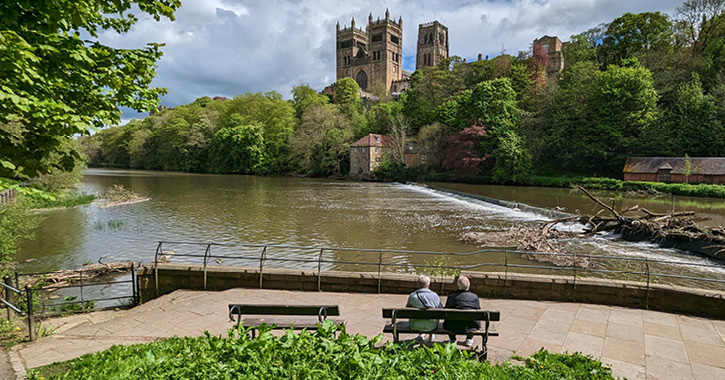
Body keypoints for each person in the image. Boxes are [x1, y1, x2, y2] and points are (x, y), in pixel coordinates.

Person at [443, 275, 480, 346]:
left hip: (452, 326)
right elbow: (477, 310)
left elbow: (446, 311)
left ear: (458, 285)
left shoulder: (451, 297)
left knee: (449, 320)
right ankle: (469, 339)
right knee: (473, 317)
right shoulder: (474, 297)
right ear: (469, 285)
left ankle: (453, 339)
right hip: (471, 326)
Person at [406, 274, 443, 342]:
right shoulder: (434, 295)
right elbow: (441, 309)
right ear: (428, 285)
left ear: (418, 285)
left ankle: (421, 334)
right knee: (432, 314)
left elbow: (407, 308)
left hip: (415, 325)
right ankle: (431, 335)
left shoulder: (412, 296)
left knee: (419, 315)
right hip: (431, 325)